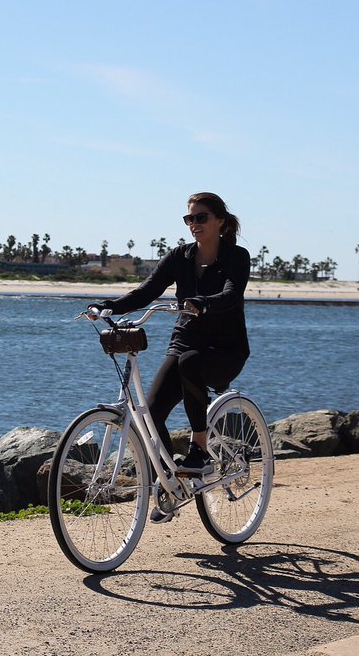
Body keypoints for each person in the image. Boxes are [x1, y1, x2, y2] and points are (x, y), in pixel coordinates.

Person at [87, 192, 250, 515]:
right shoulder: (180, 257)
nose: (194, 224)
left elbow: (232, 294)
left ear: (220, 220)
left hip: (226, 349)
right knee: (151, 414)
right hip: (185, 339)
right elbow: (147, 291)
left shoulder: (237, 256)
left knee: (191, 362)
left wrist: (204, 302)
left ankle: (200, 449)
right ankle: (172, 483)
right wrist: (109, 306)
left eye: (200, 217)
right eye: (189, 219)